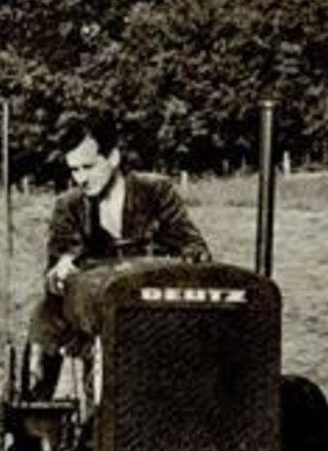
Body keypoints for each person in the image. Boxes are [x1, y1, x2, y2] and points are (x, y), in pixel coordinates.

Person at [27, 112, 211, 399]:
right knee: (46, 315)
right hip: (96, 307)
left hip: (154, 302)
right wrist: (62, 269)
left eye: (88, 166)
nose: (82, 179)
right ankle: (36, 411)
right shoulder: (69, 206)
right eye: (74, 170)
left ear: (113, 157)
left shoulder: (155, 191)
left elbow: (193, 247)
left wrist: (186, 259)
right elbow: (57, 265)